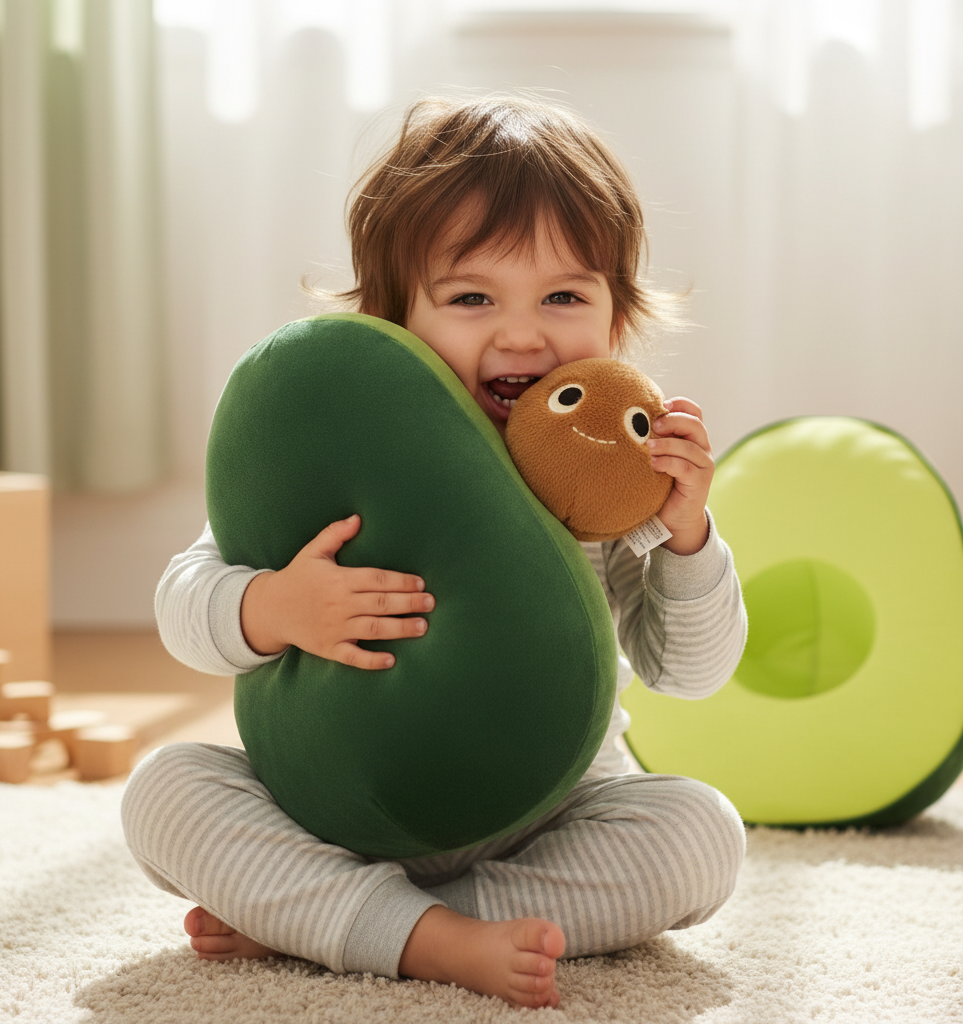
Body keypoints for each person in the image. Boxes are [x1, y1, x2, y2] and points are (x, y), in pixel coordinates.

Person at [121, 95, 748, 1011]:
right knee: (165, 790)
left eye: (565, 296)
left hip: (547, 816)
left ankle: (369, 924)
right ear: (392, 322)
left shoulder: (609, 491)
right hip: (335, 805)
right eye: (471, 298)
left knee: (700, 833)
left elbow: (689, 672)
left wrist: (687, 536)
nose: (524, 333)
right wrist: (274, 607)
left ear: (617, 323)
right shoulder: (342, 456)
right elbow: (187, 602)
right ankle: (381, 918)